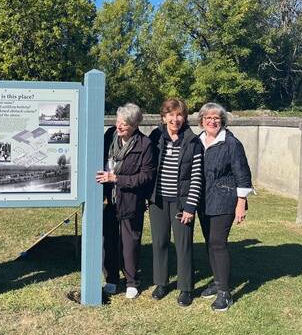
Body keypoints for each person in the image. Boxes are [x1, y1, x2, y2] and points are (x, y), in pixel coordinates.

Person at [197, 102, 253, 311]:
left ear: (222, 121)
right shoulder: (198, 141)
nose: (212, 121)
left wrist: (241, 203)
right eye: (208, 118)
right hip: (203, 200)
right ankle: (217, 281)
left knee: (218, 243)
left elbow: (243, 174)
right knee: (209, 242)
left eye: (216, 118)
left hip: (224, 198)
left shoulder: (231, 143)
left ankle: (225, 293)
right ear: (201, 121)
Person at [96, 103, 155, 299]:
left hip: (131, 201)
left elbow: (146, 176)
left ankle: (131, 281)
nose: (120, 126)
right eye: (118, 121)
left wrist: (117, 179)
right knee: (109, 241)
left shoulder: (144, 144)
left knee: (130, 243)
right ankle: (111, 279)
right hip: (109, 201)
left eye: (125, 124)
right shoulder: (109, 136)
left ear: (136, 125)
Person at [148, 98, 203, 307]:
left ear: (185, 117)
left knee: (183, 245)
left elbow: (197, 176)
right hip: (158, 201)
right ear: (163, 117)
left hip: (181, 202)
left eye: (179, 114)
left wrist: (190, 206)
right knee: (160, 242)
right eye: (170, 114)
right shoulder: (155, 137)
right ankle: (161, 283)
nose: (175, 118)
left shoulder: (193, 141)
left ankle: (186, 288)